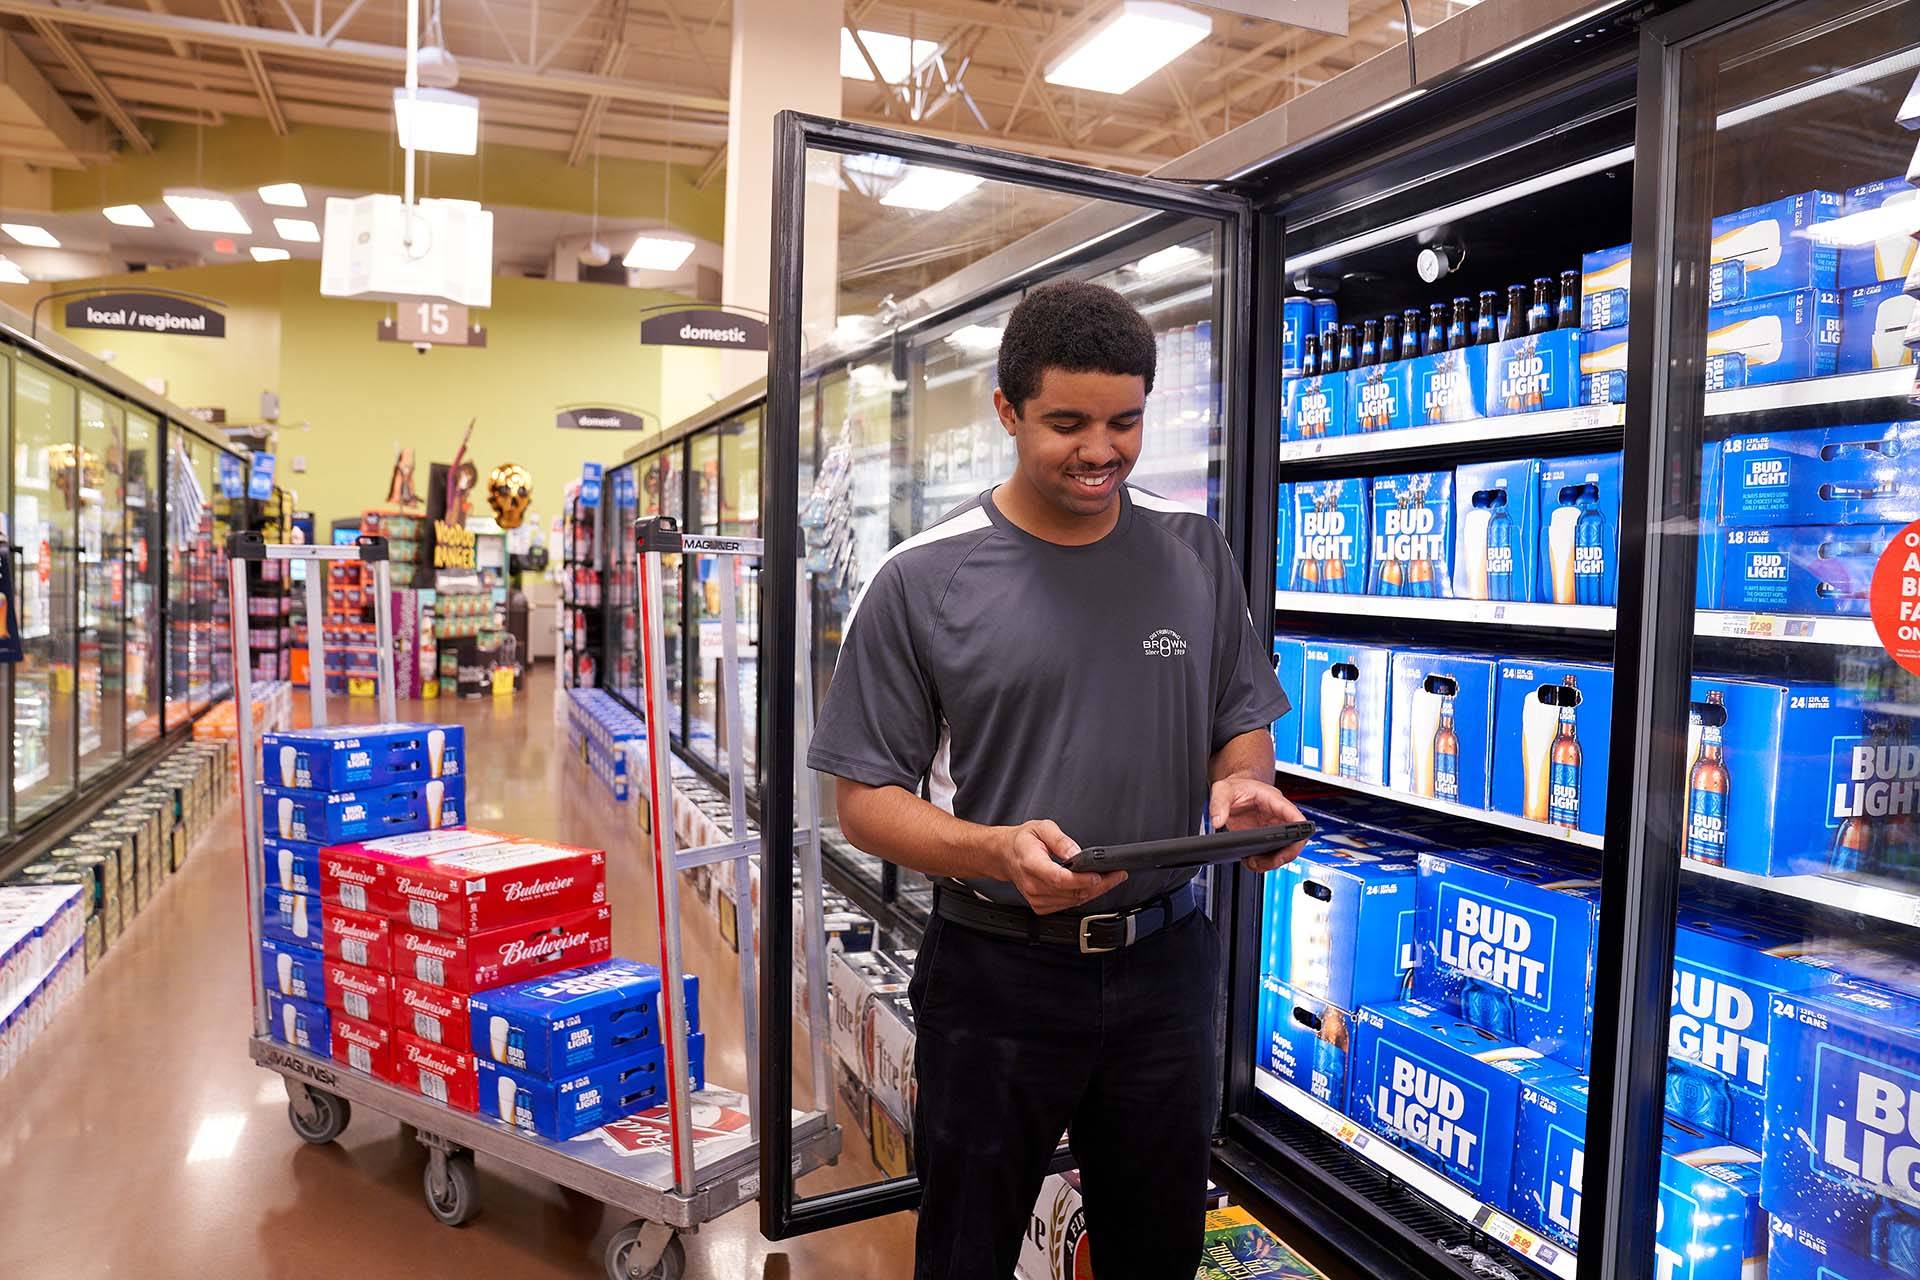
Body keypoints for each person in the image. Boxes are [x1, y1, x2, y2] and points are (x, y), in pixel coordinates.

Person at [807, 279, 1307, 1280]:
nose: (1101, 449)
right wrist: (995, 848)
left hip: (1169, 966)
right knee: (967, 1245)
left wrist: (1246, 790)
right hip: (999, 974)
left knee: (1157, 1243)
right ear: (1007, 410)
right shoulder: (922, 578)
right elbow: (860, 799)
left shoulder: (1193, 550)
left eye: (1124, 421)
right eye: (1067, 422)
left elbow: (1239, 723)